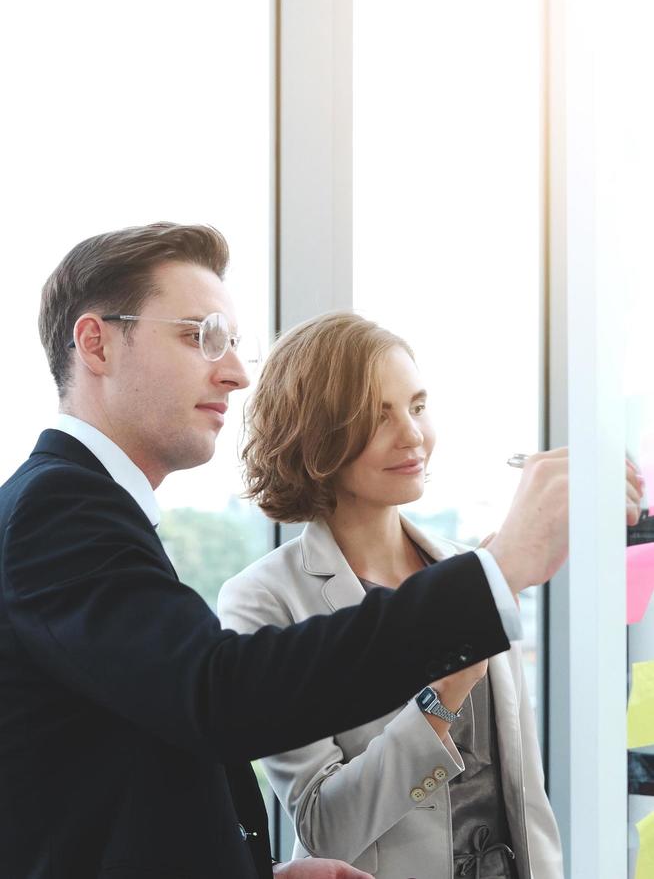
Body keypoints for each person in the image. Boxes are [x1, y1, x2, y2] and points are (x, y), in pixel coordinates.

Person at [0, 222, 577, 879]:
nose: (237, 373)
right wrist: (495, 576)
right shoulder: (61, 510)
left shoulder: (82, 510)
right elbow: (221, 696)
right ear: (95, 343)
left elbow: (109, 792)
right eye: (199, 336)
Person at [218, 312, 642, 878]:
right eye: (378, 415)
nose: (412, 435)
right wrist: (451, 682)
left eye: (417, 406)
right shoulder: (263, 599)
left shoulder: (469, 569)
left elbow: (524, 794)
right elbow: (324, 826)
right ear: (317, 433)